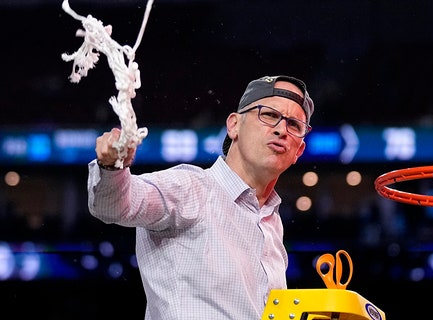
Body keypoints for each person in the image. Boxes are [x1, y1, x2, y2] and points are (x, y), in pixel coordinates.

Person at [87, 75, 314, 319]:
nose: (282, 129)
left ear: (299, 150)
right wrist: (112, 166)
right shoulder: (189, 188)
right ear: (234, 125)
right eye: (269, 115)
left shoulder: (272, 224)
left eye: (294, 125)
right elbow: (113, 205)